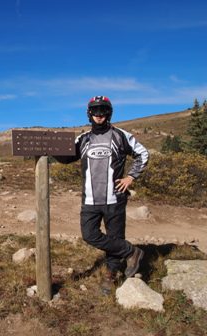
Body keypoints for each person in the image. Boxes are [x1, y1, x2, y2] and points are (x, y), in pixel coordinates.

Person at [55, 96, 149, 295]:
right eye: (95, 111)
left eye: (103, 111)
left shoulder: (120, 135)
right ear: (89, 113)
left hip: (115, 198)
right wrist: (48, 147)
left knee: (115, 237)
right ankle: (131, 251)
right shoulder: (83, 139)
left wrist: (130, 177)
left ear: (109, 113)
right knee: (89, 234)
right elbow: (65, 158)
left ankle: (110, 277)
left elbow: (143, 154)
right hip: (89, 199)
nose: (99, 115)